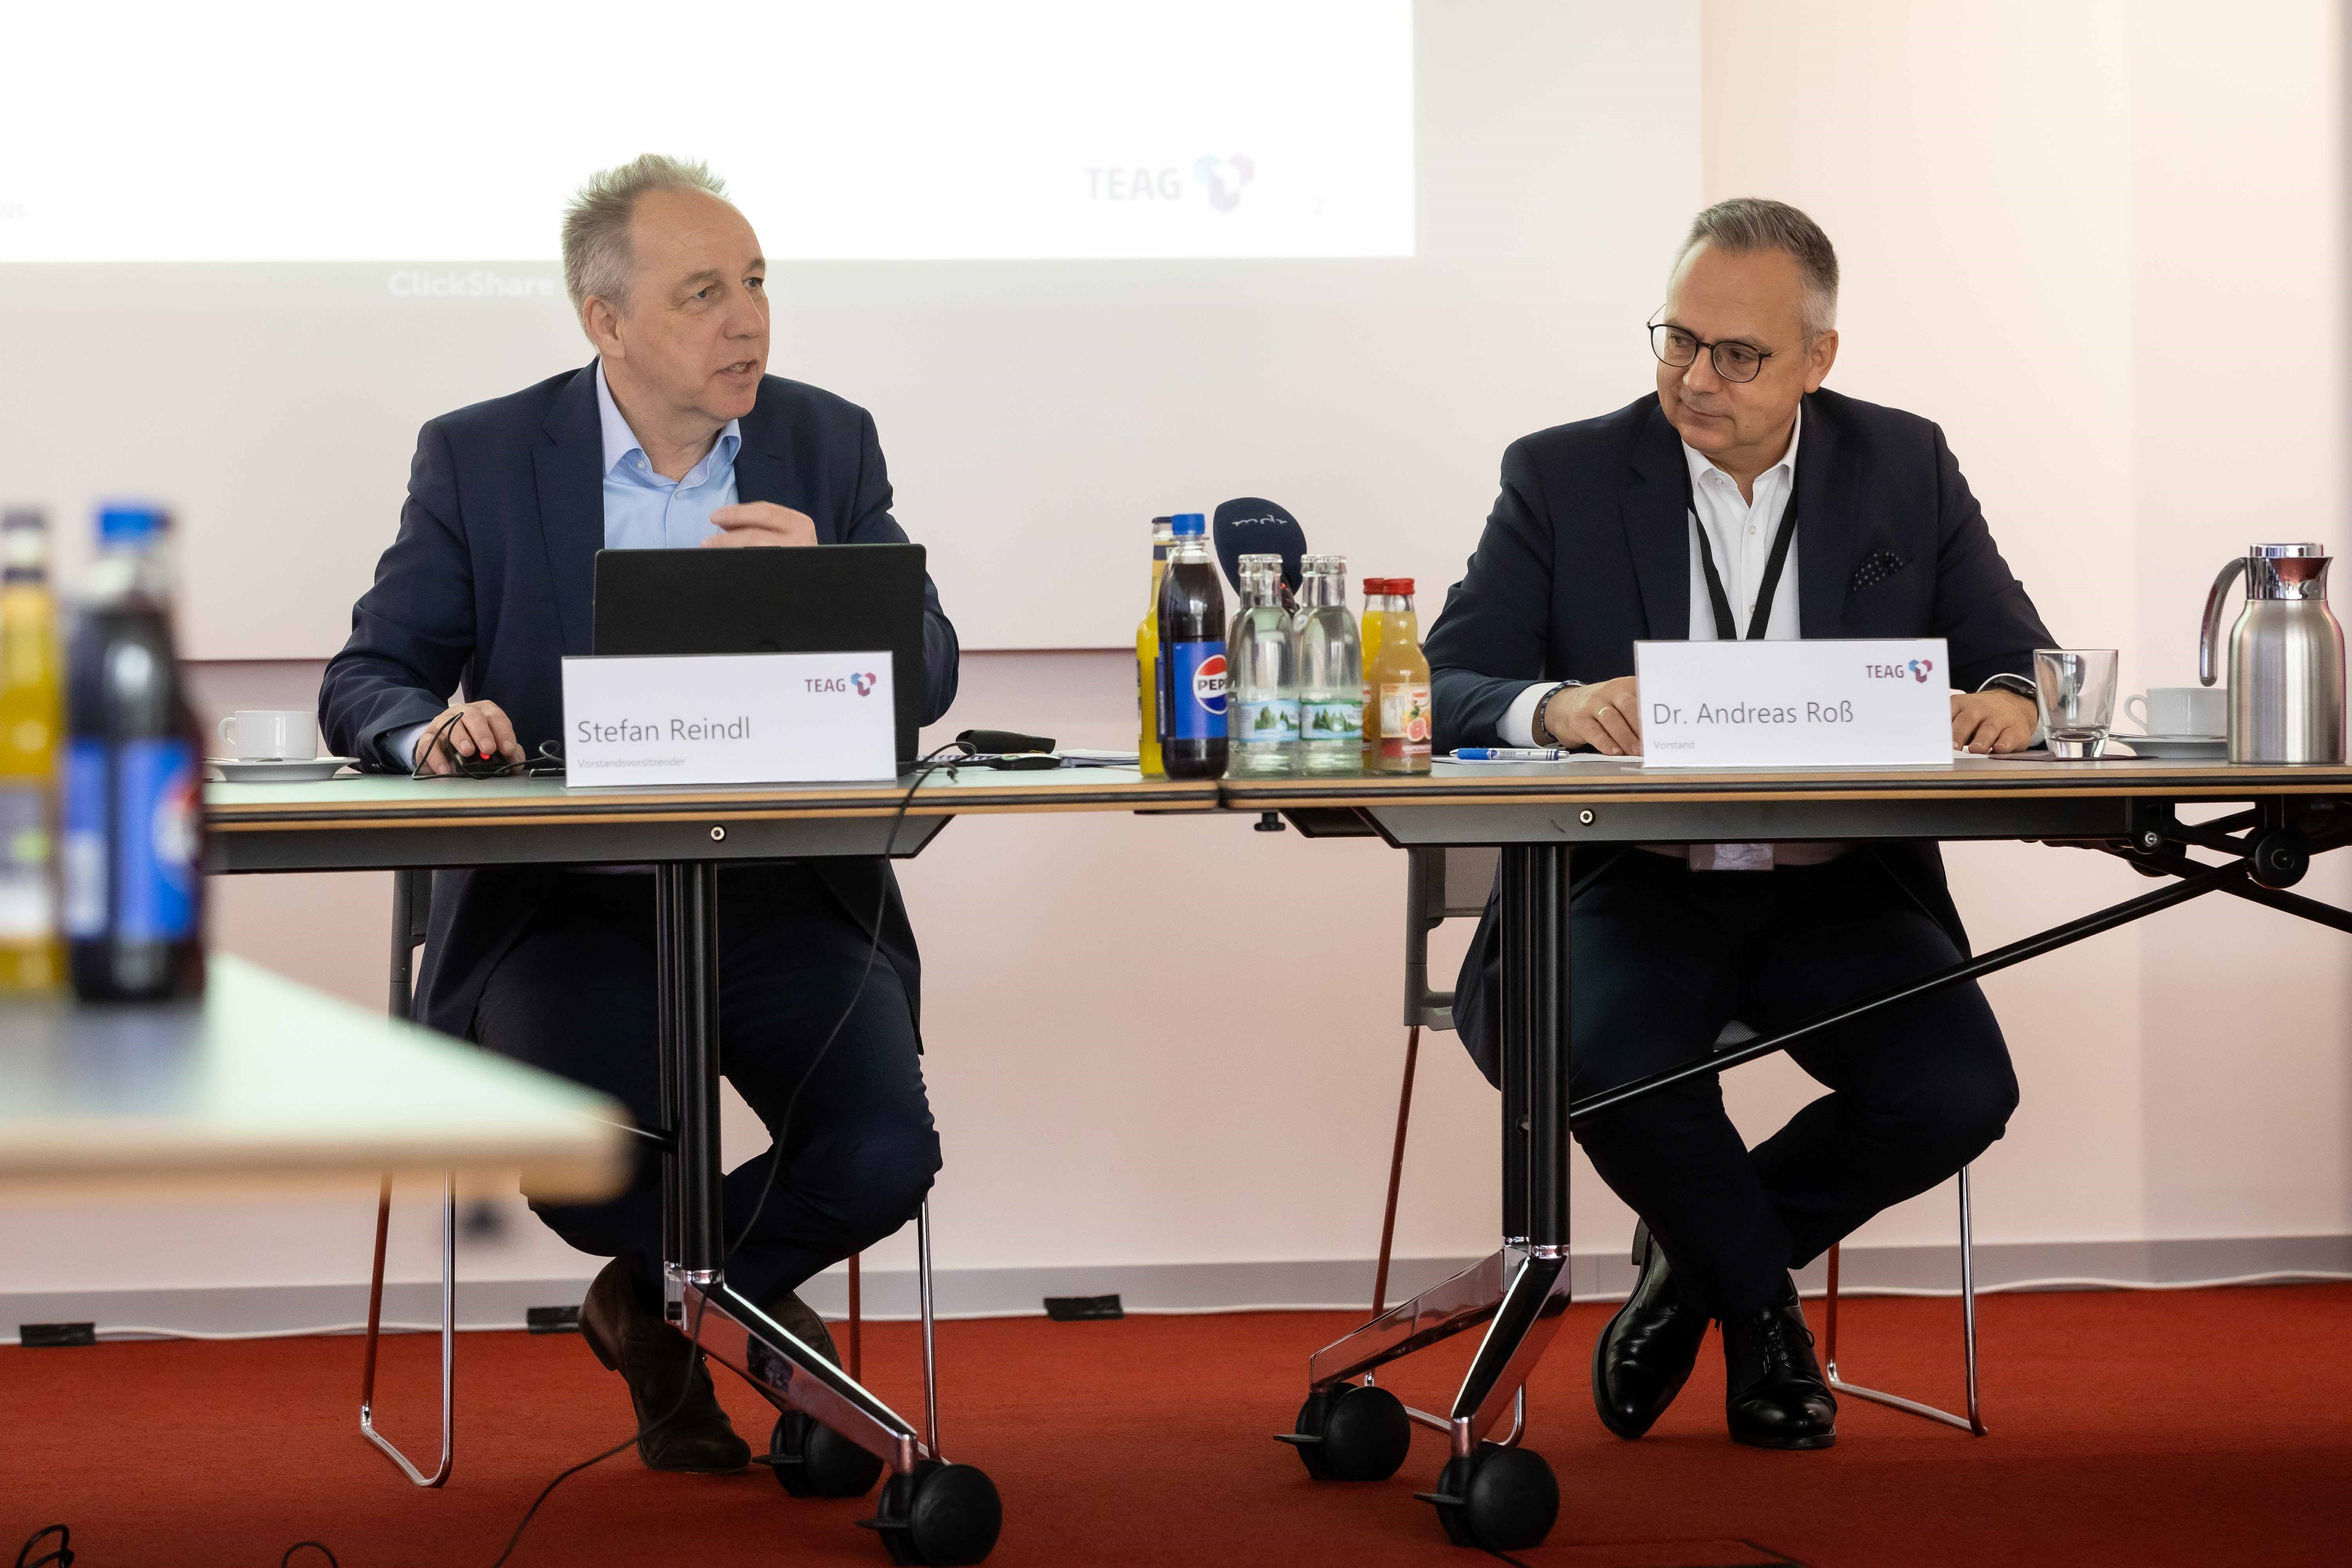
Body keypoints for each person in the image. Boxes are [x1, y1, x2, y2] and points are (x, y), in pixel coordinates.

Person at [319, 155, 958, 1473]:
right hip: (569, 905)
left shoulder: (827, 441)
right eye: (704, 293)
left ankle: (651, 1308)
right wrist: (426, 732)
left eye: (758, 284)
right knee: (589, 1162)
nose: (749, 321)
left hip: (783, 896)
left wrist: (837, 591)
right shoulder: (486, 456)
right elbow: (369, 675)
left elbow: (933, 676)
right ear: (604, 321)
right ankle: (745, 1317)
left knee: (882, 1154)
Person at [1425, 198, 2049, 1452]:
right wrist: (1557, 707)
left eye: (1737, 354)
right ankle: (1761, 1317)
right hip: (1630, 880)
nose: (1694, 378)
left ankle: (1689, 1268)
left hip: (1837, 886)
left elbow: (2017, 653)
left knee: (1957, 1092)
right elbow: (1446, 681)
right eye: (1677, 340)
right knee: (1604, 1058)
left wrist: (2013, 702)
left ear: (1819, 359)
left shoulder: (1905, 463)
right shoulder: (1562, 474)